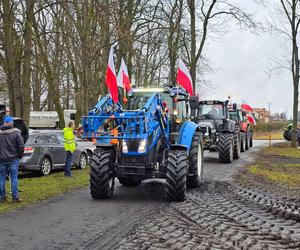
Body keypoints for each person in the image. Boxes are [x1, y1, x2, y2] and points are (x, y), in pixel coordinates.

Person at [0, 116, 24, 203]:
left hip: (1, 159)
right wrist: (20, 156)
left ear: (4, 122)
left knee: (2, 177)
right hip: (13, 158)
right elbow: (21, 146)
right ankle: (15, 197)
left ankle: (2, 197)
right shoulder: (16, 132)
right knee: (13, 177)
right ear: (11, 123)